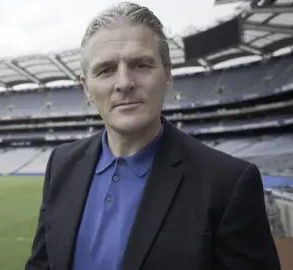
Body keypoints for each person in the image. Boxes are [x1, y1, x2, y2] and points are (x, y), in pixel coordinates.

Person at [24, 2, 280, 270]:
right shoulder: (61, 165)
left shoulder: (228, 184)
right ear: (86, 87)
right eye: (105, 70)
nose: (124, 83)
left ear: (168, 75)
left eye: (141, 64)